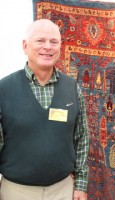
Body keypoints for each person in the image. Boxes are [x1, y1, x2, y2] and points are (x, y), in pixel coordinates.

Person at [0, 19, 89, 200]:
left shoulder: (72, 88)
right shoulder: (4, 89)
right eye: (40, 41)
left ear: (60, 47)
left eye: (53, 42)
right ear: (25, 46)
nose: (47, 47)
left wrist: (80, 185)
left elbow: (82, 139)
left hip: (63, 190)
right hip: (16, 192)